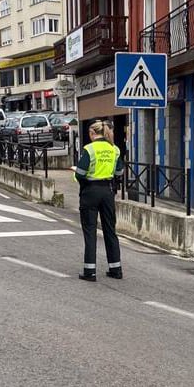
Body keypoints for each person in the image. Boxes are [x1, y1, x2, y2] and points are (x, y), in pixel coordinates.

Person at [74, 120, 124, 281]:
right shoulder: (114, 149)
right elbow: (119, 172)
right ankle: (116, 269)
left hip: (90, 191)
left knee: (90, 231)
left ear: (92, 133)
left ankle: (90, 271)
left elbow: (80, 173)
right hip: (108, 191)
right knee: (110, 230)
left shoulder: (89, 149)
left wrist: (85, 184)